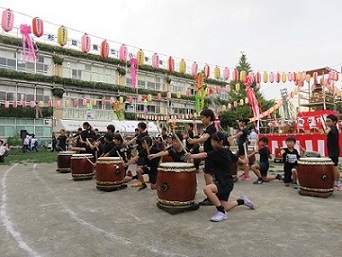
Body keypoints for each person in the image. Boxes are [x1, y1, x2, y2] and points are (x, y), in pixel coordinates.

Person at [186, 131, 255, 222]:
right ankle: (242, 201)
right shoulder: (226, 151)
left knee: (207, 189)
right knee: (225, 206)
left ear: (220, 142)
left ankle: (221, 212)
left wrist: (192, 156)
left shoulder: (219, 152)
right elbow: (235, 158)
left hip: (225, 183)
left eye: (213, 141)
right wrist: (244, 161)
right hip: (226, 182)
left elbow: (205, 154)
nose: (212, 143)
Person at [187, 109, 217, 206]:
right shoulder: (208, 128)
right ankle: (212, 195)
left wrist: (193, 141)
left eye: (203, 118)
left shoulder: (211, 128)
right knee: (208, 174)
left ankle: (211, 197)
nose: (202, 120)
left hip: (211, 154)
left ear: (209, 118)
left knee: (208, 175)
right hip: (209, 154)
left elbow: (205, 138)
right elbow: (202, 139)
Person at [324, 114, 341, 190]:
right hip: (332, 150)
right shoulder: (333, 128)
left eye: (329, 121)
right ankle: (335, 182)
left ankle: (338, 183)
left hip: (334, 151)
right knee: (333, 167)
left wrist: (327, 129)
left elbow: (327, 132)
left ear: (334, 122)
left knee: (335, 167)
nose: (327, 122)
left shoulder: (333, 128)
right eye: (326, 121)